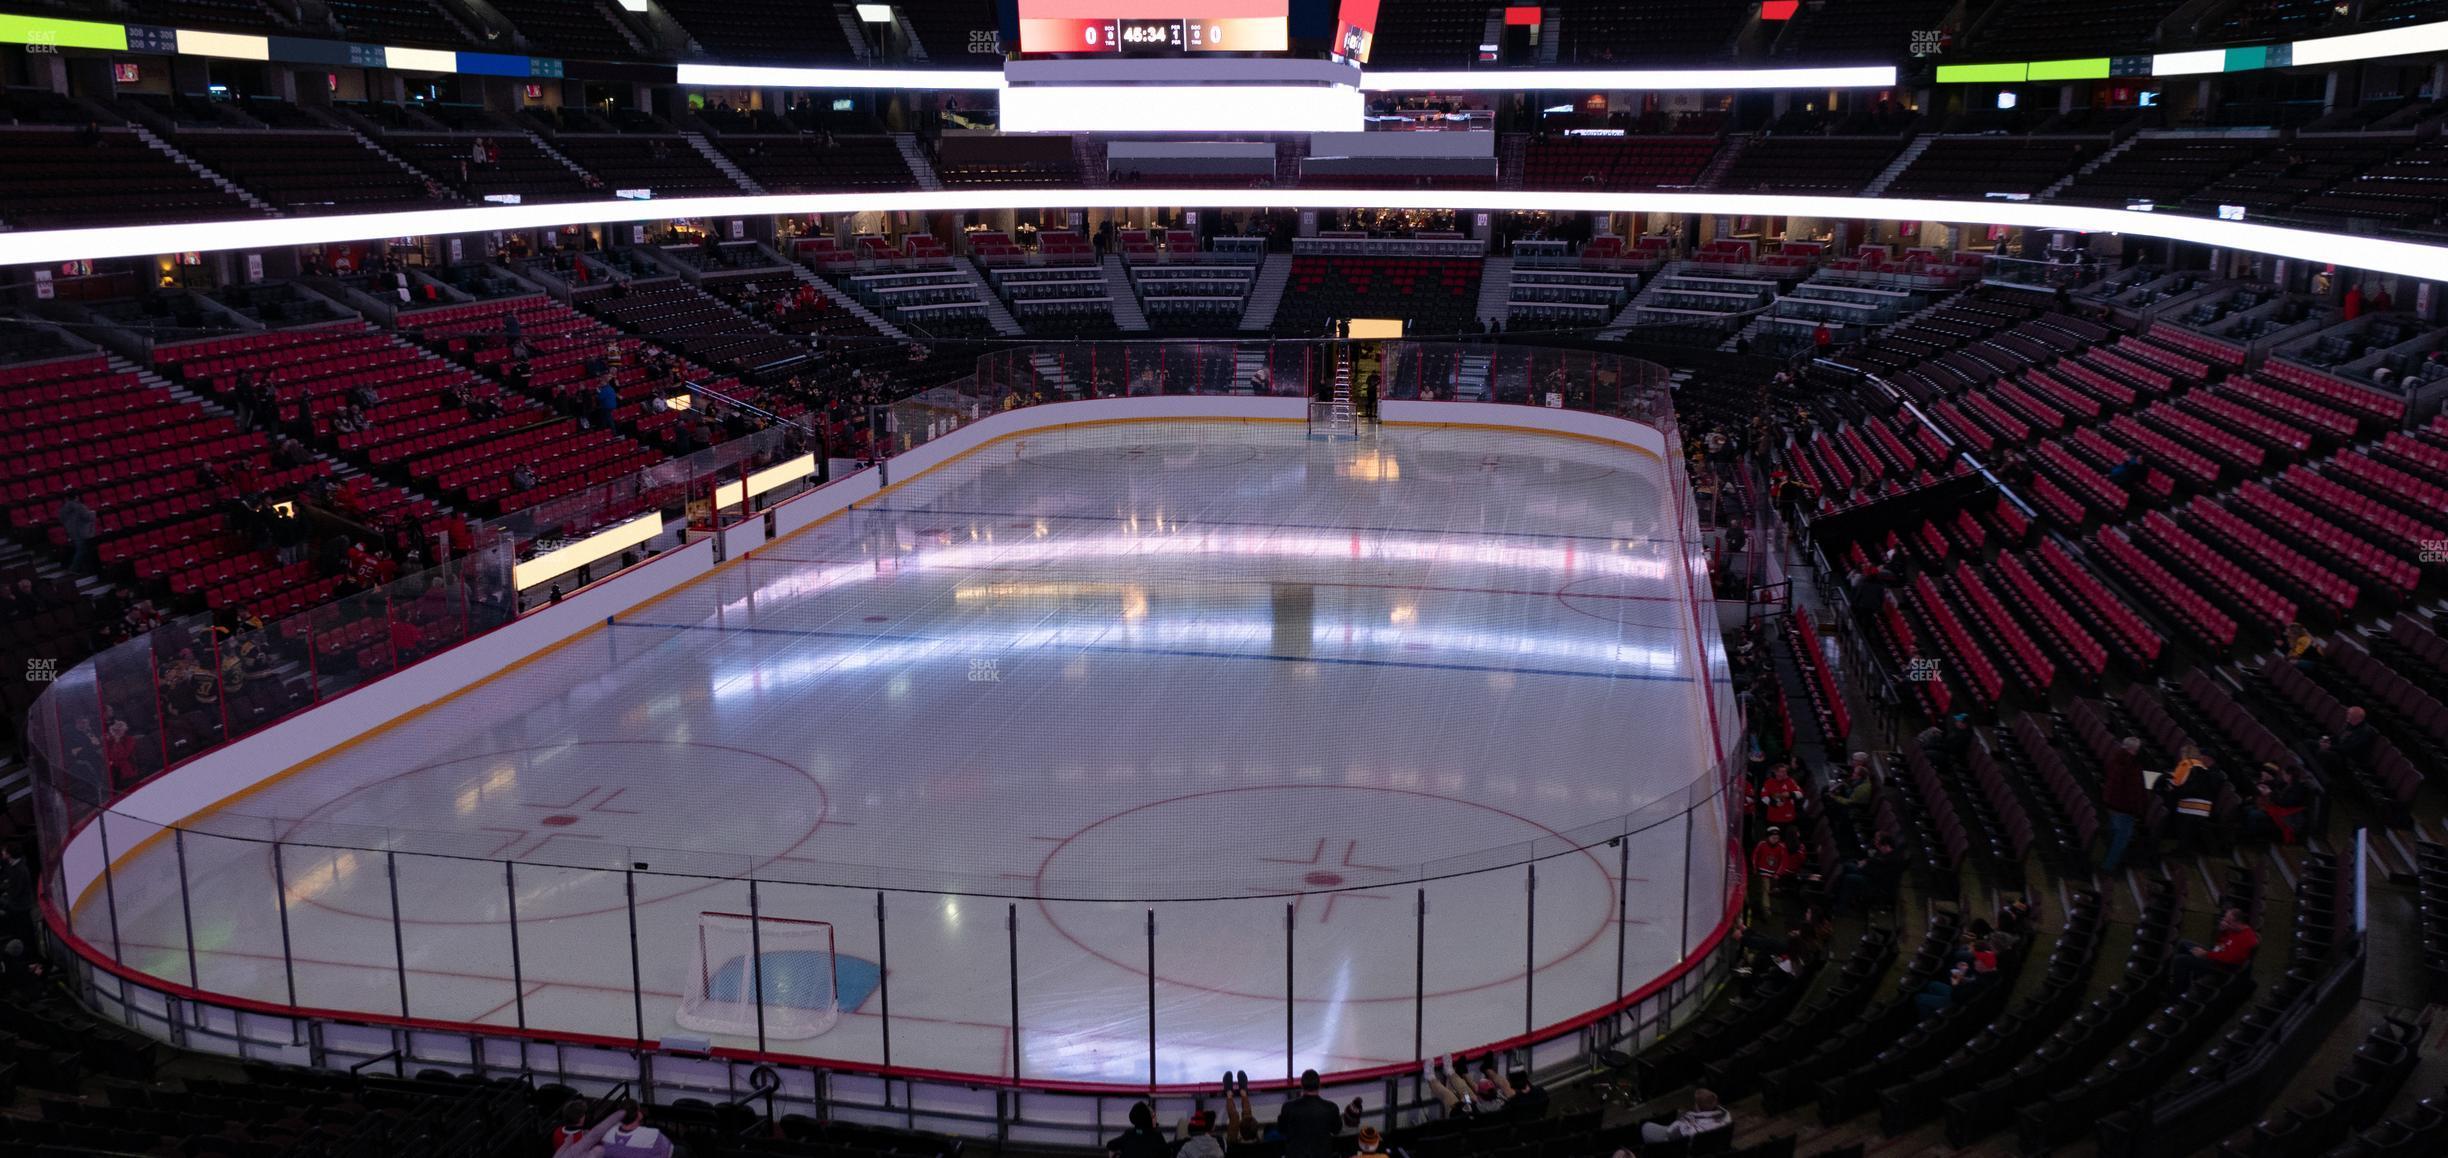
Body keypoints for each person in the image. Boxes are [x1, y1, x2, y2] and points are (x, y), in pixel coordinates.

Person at [2169, 908, 2259, 993]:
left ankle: (2177, 992)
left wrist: (2206, 954)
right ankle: (2183, 981)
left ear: (2237, 922)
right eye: (2224, 919)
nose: (2224, 923)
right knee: (2183, 944)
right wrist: (2222, 931)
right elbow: (2221, 945)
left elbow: (2230, 959)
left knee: (2180, 960)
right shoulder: (2234, 929)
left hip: (2220, 967)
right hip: (2215, 956)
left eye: (2228, 922)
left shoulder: (2247, 939)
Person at [2100, 736, 2149, 875]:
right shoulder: (2131, 766)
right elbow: (2134, 790)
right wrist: (2139, 809)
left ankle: (2108, 862)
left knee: (2115, 833)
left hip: (2113, 804)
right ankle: (2109, 866)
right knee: (2121, 838)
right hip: (2125, 807)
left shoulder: (2114, 760)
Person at [2164, 744, 2218, 855]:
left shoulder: (2209, 772)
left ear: (2208, 758)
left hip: (2198, 805)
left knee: (2185, 826)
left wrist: (2177, 788)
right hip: (2193, 803)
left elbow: (2196, 788)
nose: (2199, 757)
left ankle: (2182, 851)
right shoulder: (2202, 770)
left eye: (2201, 755)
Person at [1276, 1069, 1341, 1158]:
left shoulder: (1288, 1107)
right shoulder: (1331, 1108)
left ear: (1301, 1085)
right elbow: (1336, 1130)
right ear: (1319, 1085)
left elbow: (1281, 1130)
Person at [2245, 762, 2312, 844]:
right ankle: (2248, 833)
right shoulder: (2286, 784)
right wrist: (2266, 787)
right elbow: (2276, 788)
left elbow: (2285, 803)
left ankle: (2251, 838)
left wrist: (2270, 793)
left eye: (2284, 774)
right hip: (2276, 809)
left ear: (2289, 776)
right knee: (2249, 808)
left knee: (2253, 814)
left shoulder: (2298, 789)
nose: (2283, 776)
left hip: (2286, 816)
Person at [1640, 1089, 1730, 1145]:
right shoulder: (1725, 1117)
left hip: (1676, 1142)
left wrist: (1683, 1120)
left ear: (1698, 1107)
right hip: (1708, 1143)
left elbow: (1671, 1134)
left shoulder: (1689, 1126)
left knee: (1646, 1127)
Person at [59, 487, 97, 574]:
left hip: (71, 531)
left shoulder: (63, 509)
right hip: (82, 531)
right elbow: (88, 517)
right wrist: (93, 513)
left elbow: (61, 519)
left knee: (80, 549)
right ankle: (74, 568)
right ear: (76, 497)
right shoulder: (80, 507)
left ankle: (77, 568)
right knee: (81, 550)